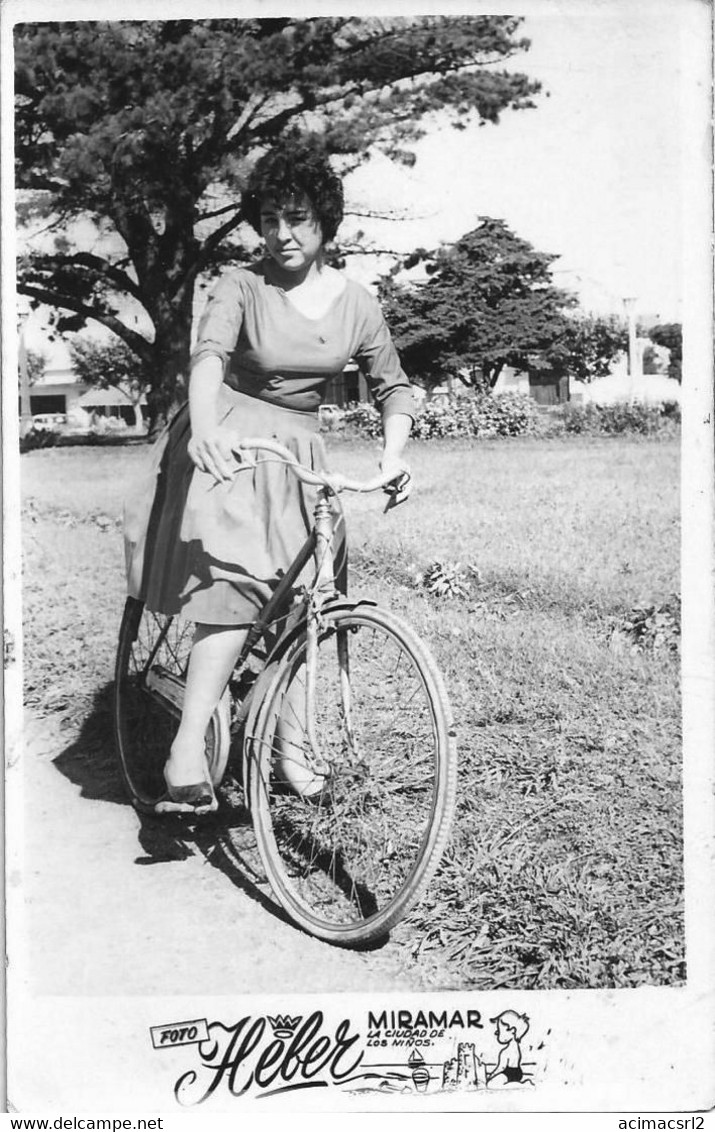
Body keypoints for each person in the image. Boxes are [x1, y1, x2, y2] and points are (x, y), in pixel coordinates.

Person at [124, 141, 415, 816]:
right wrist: (205, 430)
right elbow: (207, 357)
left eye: (299, 219)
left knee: (309, 603)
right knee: (234, 595)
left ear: (324, 224)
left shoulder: (356, 304)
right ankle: (186, 752)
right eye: (270, 218)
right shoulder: (241, 285)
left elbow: (393, 386)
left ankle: (290, 751)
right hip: (230, 436)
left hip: (300, 456)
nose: (282, 233)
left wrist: (394, 455)